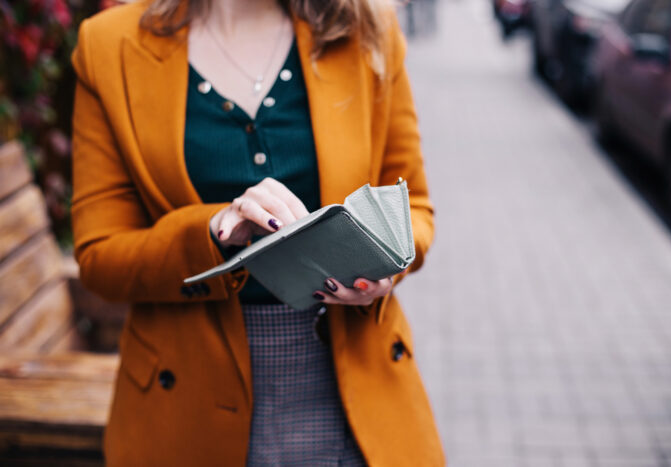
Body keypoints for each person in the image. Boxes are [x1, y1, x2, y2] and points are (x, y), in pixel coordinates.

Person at [70, 0, 444, 464]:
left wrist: (383, 268)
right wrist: (209, 234)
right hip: (185, 397)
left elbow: (414, 208)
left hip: (354, 388)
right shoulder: (109, 45)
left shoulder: (366, 28)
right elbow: (99, 255)